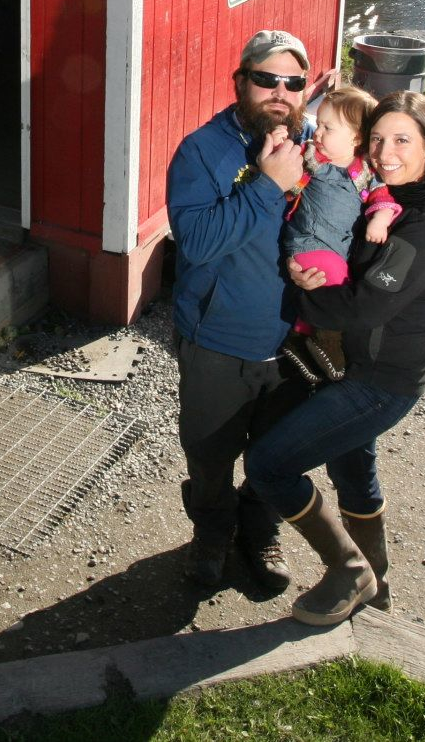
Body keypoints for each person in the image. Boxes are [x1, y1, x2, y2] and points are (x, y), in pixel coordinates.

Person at [245, 91, 425, 625]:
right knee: (353, 472)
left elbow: (365, 306)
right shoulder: (398, 196)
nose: (384, 152)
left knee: (269, 465)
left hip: (380, 382)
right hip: (355, 367)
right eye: (377, 139)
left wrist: (299, 292)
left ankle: (350, 570)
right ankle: (378, 588)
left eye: (402, 140)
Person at [164, 29, 315, 593]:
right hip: (218, 342)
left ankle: (260, 530)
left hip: (294, 341)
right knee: (209, 456)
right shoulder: (203, 150)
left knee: (277, 457)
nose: (280, 91)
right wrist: (268, 186)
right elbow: (197, 242)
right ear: (241, 83)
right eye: (266, 79)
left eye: (293, 82)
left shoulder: (317, 150)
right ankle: (211, 534)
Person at [279, 85, 398, 382]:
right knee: (333, 280)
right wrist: (282, 153)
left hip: (338, 246)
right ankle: (329, 340)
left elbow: (382, 198)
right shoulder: (312, 158)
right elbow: (289, 179)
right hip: (308, 239)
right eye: (317, 124)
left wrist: (380, 220)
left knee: (333, 278)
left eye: (327, 127)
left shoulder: (364, 171)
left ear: (356, 137)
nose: (317, 132)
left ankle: (301, 336)